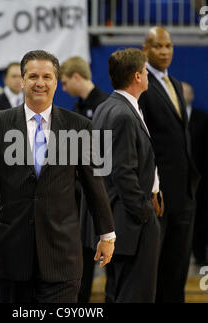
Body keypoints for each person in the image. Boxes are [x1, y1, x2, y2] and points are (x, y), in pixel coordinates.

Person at [0, 49, 115, 303]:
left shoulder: (79, 126)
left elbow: (94, 183)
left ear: (56, 82)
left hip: (62, 257)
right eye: (33, 76)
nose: (40, 83)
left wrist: (107, 234)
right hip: (11, 257)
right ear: (22, 81)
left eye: (47, 76)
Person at [92, 48, 161, 302]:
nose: (147, 76)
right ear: (137, 77)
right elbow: (122, 172)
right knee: (136, 295)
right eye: (145, 71)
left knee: (118, 293)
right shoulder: (122, 113)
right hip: (131, 223)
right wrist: (144, 213)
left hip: (117, 219)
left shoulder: (105, 108)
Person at [139, 26, 200, 303]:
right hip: (158, 193)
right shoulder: (141, 85)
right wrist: (151, 186)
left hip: (184, 191)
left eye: (168, 46)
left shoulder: (175, 83)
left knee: (177, 265)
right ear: (145, 50)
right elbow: (143, 142)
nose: (164, 51)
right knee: (155, 268)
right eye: (158, 46)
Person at [60, 56, 110, 303]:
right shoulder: (77, 108)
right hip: (76, 193)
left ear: (77, 77)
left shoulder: (104, 105)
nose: (63, 88)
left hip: (98, 190)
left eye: (65, 81)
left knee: (99, 251)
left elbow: (104, 155)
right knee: (81, 255)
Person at [182, 81, 208, 266]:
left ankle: (199, 256)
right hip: (176, 179)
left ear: (191, 96)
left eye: (186, 93)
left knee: (200, 217)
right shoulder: (168, 116)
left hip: (200, 179)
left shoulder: (202, 118)